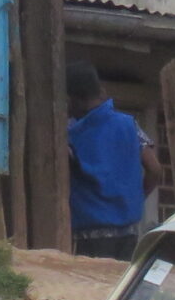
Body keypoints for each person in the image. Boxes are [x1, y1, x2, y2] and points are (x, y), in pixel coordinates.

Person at [66, 60, 162, 261]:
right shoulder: (129, 124)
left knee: (95, 290)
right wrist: (134, 198)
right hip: (129, 234)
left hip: (90, 236)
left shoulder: (71, 135)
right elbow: (155, 170)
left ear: (74, 99)